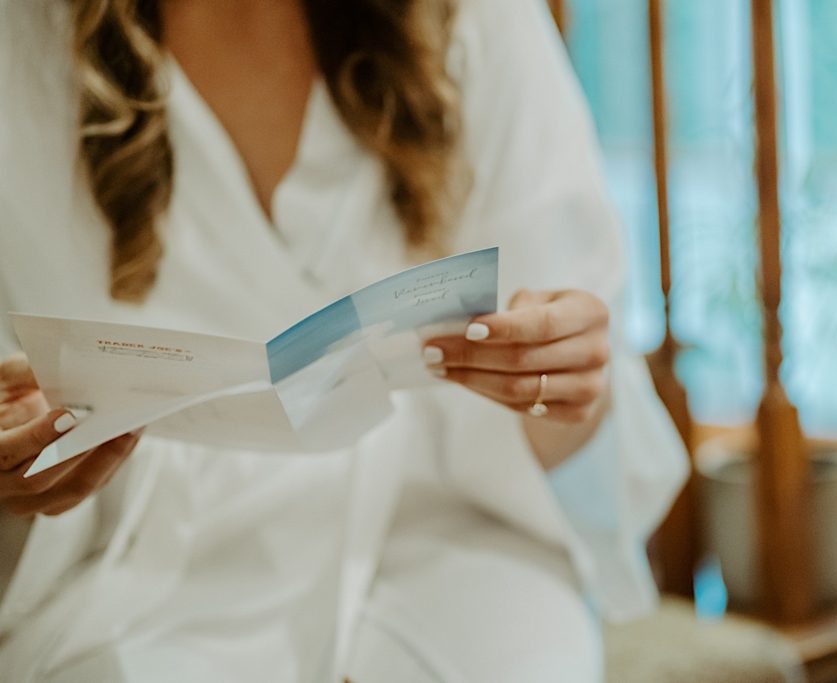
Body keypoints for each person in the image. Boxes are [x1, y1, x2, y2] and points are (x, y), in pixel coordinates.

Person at [0, 0, 687, 680]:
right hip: (151, 565)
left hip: (455, 537)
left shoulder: (478, 20)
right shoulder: (25, 41)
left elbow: (572, 369)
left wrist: (563, 384)